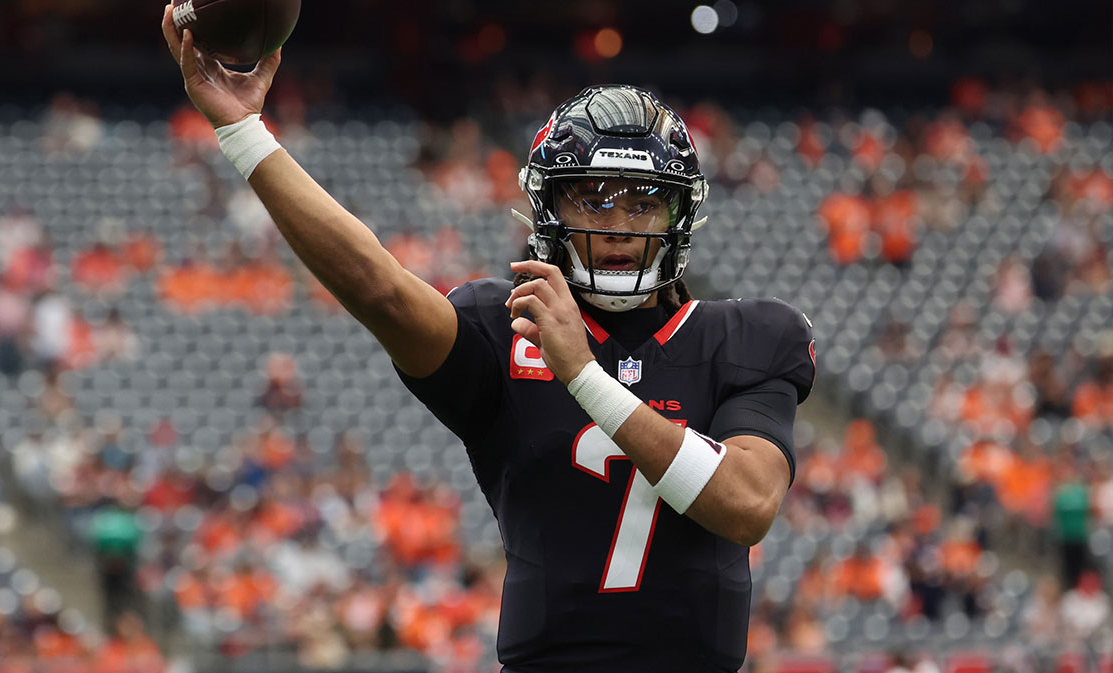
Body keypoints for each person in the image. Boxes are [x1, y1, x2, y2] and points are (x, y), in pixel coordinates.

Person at [162, 8, 815, 672]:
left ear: (680, 214)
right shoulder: (504, 328)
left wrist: (583, 374)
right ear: (549, 211)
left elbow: (747, 502)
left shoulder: (749, 335)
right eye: (592, 200)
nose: (619, 224)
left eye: (644, 201)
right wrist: (243, 131)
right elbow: (379, 285)